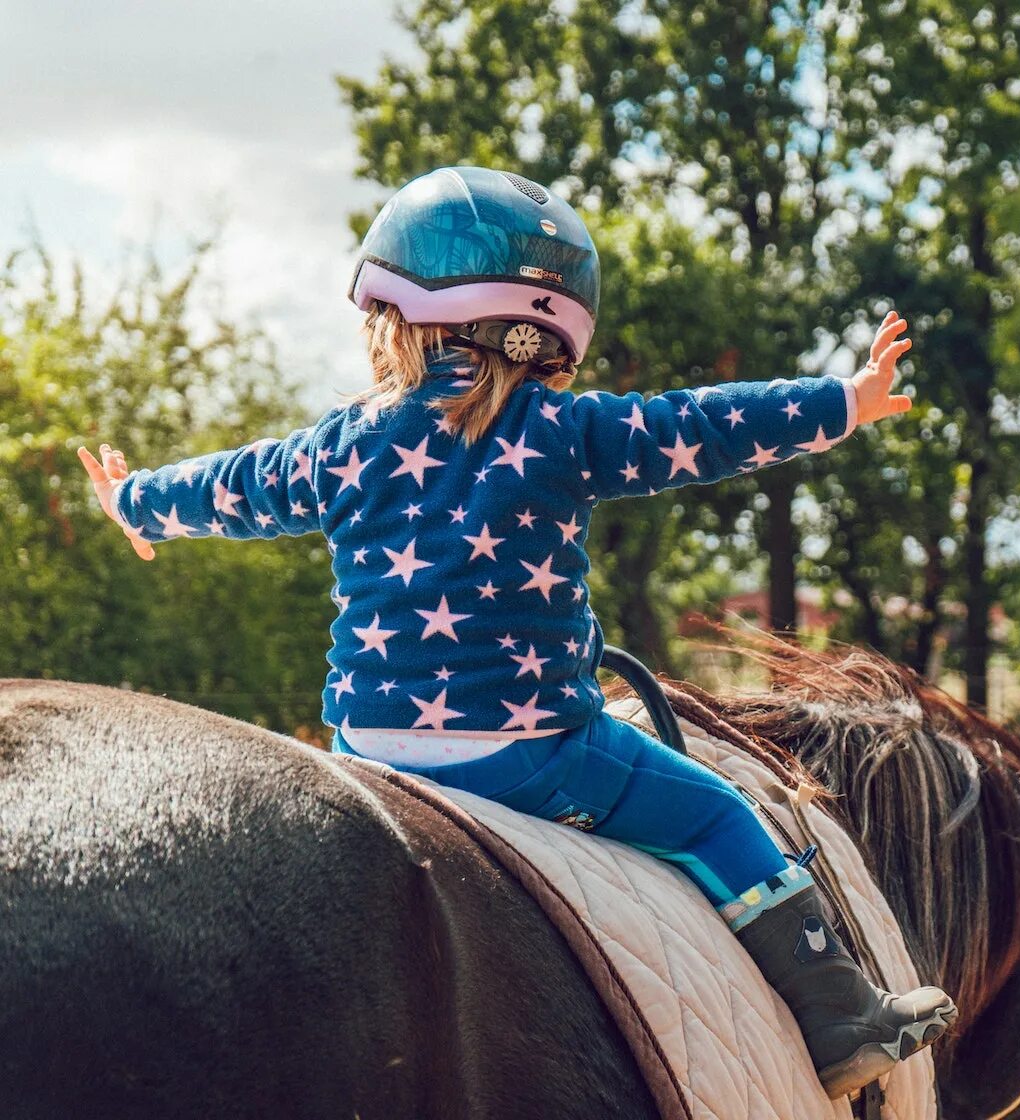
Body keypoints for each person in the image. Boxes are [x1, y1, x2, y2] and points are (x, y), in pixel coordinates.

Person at [79, 166, 956, 1097]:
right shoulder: (564, 431)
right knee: (716, 815)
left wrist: (138, 504)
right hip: (533, 754)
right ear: (552, 334)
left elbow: (239, 486)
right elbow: (702, 423)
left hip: (369, 753)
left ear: (393, 316)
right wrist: (845, 403)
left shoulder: (342, 441)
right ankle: (840, 1018)